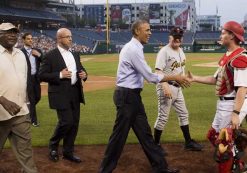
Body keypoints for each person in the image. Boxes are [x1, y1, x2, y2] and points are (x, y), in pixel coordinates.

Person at [99, 20, 191, 173]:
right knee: (118, 137)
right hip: (127, 96)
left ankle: (160, 167)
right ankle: (104, 170)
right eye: (147, 30)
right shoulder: (133, 49)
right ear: (137, 31)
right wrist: (175, 77)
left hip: (132, 96)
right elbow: (150, 76)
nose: (150, 33)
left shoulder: (135, 47)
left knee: (145, 134)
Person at [188, 21, 247, 173]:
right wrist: (194, 78)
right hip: (223, 104)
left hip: (233, 104)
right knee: (213, 135)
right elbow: (216, 79)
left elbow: (242, 88)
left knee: (224, 144)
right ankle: (238, 160)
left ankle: (232, 165)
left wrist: (236, 113)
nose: (220, 35)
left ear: (232, 36)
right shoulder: (228, 56)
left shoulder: (240, 57)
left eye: (223, 32)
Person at [39, 28, 87, 163]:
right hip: (60, 94)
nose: (70, 39)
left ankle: (68, 152)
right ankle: (53, 145)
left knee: (74, 123)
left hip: (75, 93)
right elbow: (41, 75)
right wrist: (60, 75)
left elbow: (81, 68)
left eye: (71, 36)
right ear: (59, 39)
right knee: (66, 121)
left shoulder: (75, 54)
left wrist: (84, 74)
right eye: (67, 37)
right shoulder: (50, 55)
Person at [153, 27, 203, 151]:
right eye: (175, 37)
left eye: (179, 37)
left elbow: (179, 70)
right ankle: (155, 146)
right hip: (167, 87)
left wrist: (185, 78)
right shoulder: (164, 51)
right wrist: (164, 86)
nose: (177, 39)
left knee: (184, 114)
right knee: (163, 117)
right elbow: (158, 71)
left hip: (177, 88)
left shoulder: (181, 51)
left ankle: (188, 142)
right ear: (170, 37)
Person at [0, 23, 38, 173]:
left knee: (26, 152)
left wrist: (26, 103)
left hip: (20, 114)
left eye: (14, 33)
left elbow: (23, 81)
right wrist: (2, 99)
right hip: (0, 115)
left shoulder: (21, 54)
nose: (12, 35)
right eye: (7, 32)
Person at [21, 33, 43, 127]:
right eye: (28, 39)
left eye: (31, 38)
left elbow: (45, 60)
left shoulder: (37, 51)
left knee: (38, 97)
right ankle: (34, 120)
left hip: (36, 78)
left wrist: (38, 55)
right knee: (32, 99)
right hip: (27, 78)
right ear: (23, 40)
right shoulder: (20, 52)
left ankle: (29, 109)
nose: (30, 40)